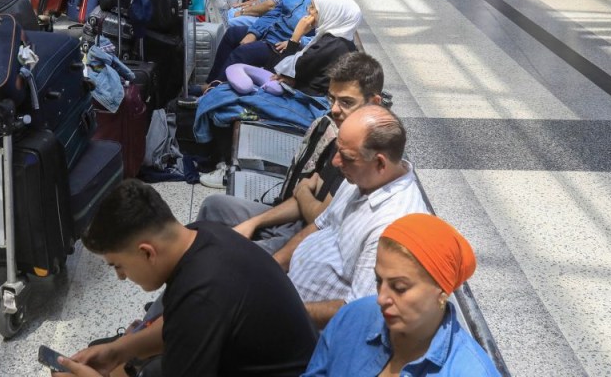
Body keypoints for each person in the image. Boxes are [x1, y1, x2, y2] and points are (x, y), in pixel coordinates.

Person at [52, 180, 317, 377]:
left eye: (118, 265)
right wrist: (118, 350)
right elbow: (181, 322)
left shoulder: (203, 294)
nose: (121, 277)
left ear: (147, 252)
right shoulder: (202, 234)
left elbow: (193, 315)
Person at [198, 52, 386, 250]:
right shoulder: (342, 131)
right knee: (214, 206)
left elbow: (319, 218)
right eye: (332, 99)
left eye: (346, 102)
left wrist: (303, 191)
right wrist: (255, 222)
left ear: (374, 102)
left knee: (222, 253)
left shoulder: (368, 153)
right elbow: (306, 198)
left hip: (312, 241)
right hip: (297, 221)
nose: (335, 109)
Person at [280, 105, 428, 328]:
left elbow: (359, 309)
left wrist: (283, 310)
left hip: (309, 331)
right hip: (287, 293)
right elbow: (319, 225)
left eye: (346, 156)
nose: (335, 163)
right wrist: (272, 267)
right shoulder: (360, 177)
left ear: (380, 163)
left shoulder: (392, 227)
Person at [302, 213, 502, 376]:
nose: (381, 298)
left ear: (442, 292)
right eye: (379, 281)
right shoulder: (353, 316)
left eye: (399, 288)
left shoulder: (469, 371)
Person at [206, 0, 346, 83]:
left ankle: (216, 87)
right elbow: (273, 14)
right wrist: (254, 32)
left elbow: (327, 35)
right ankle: (211, 81)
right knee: (232, 33)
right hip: (270, 32)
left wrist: (297, 41)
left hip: (281, 44)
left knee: (243, 52)